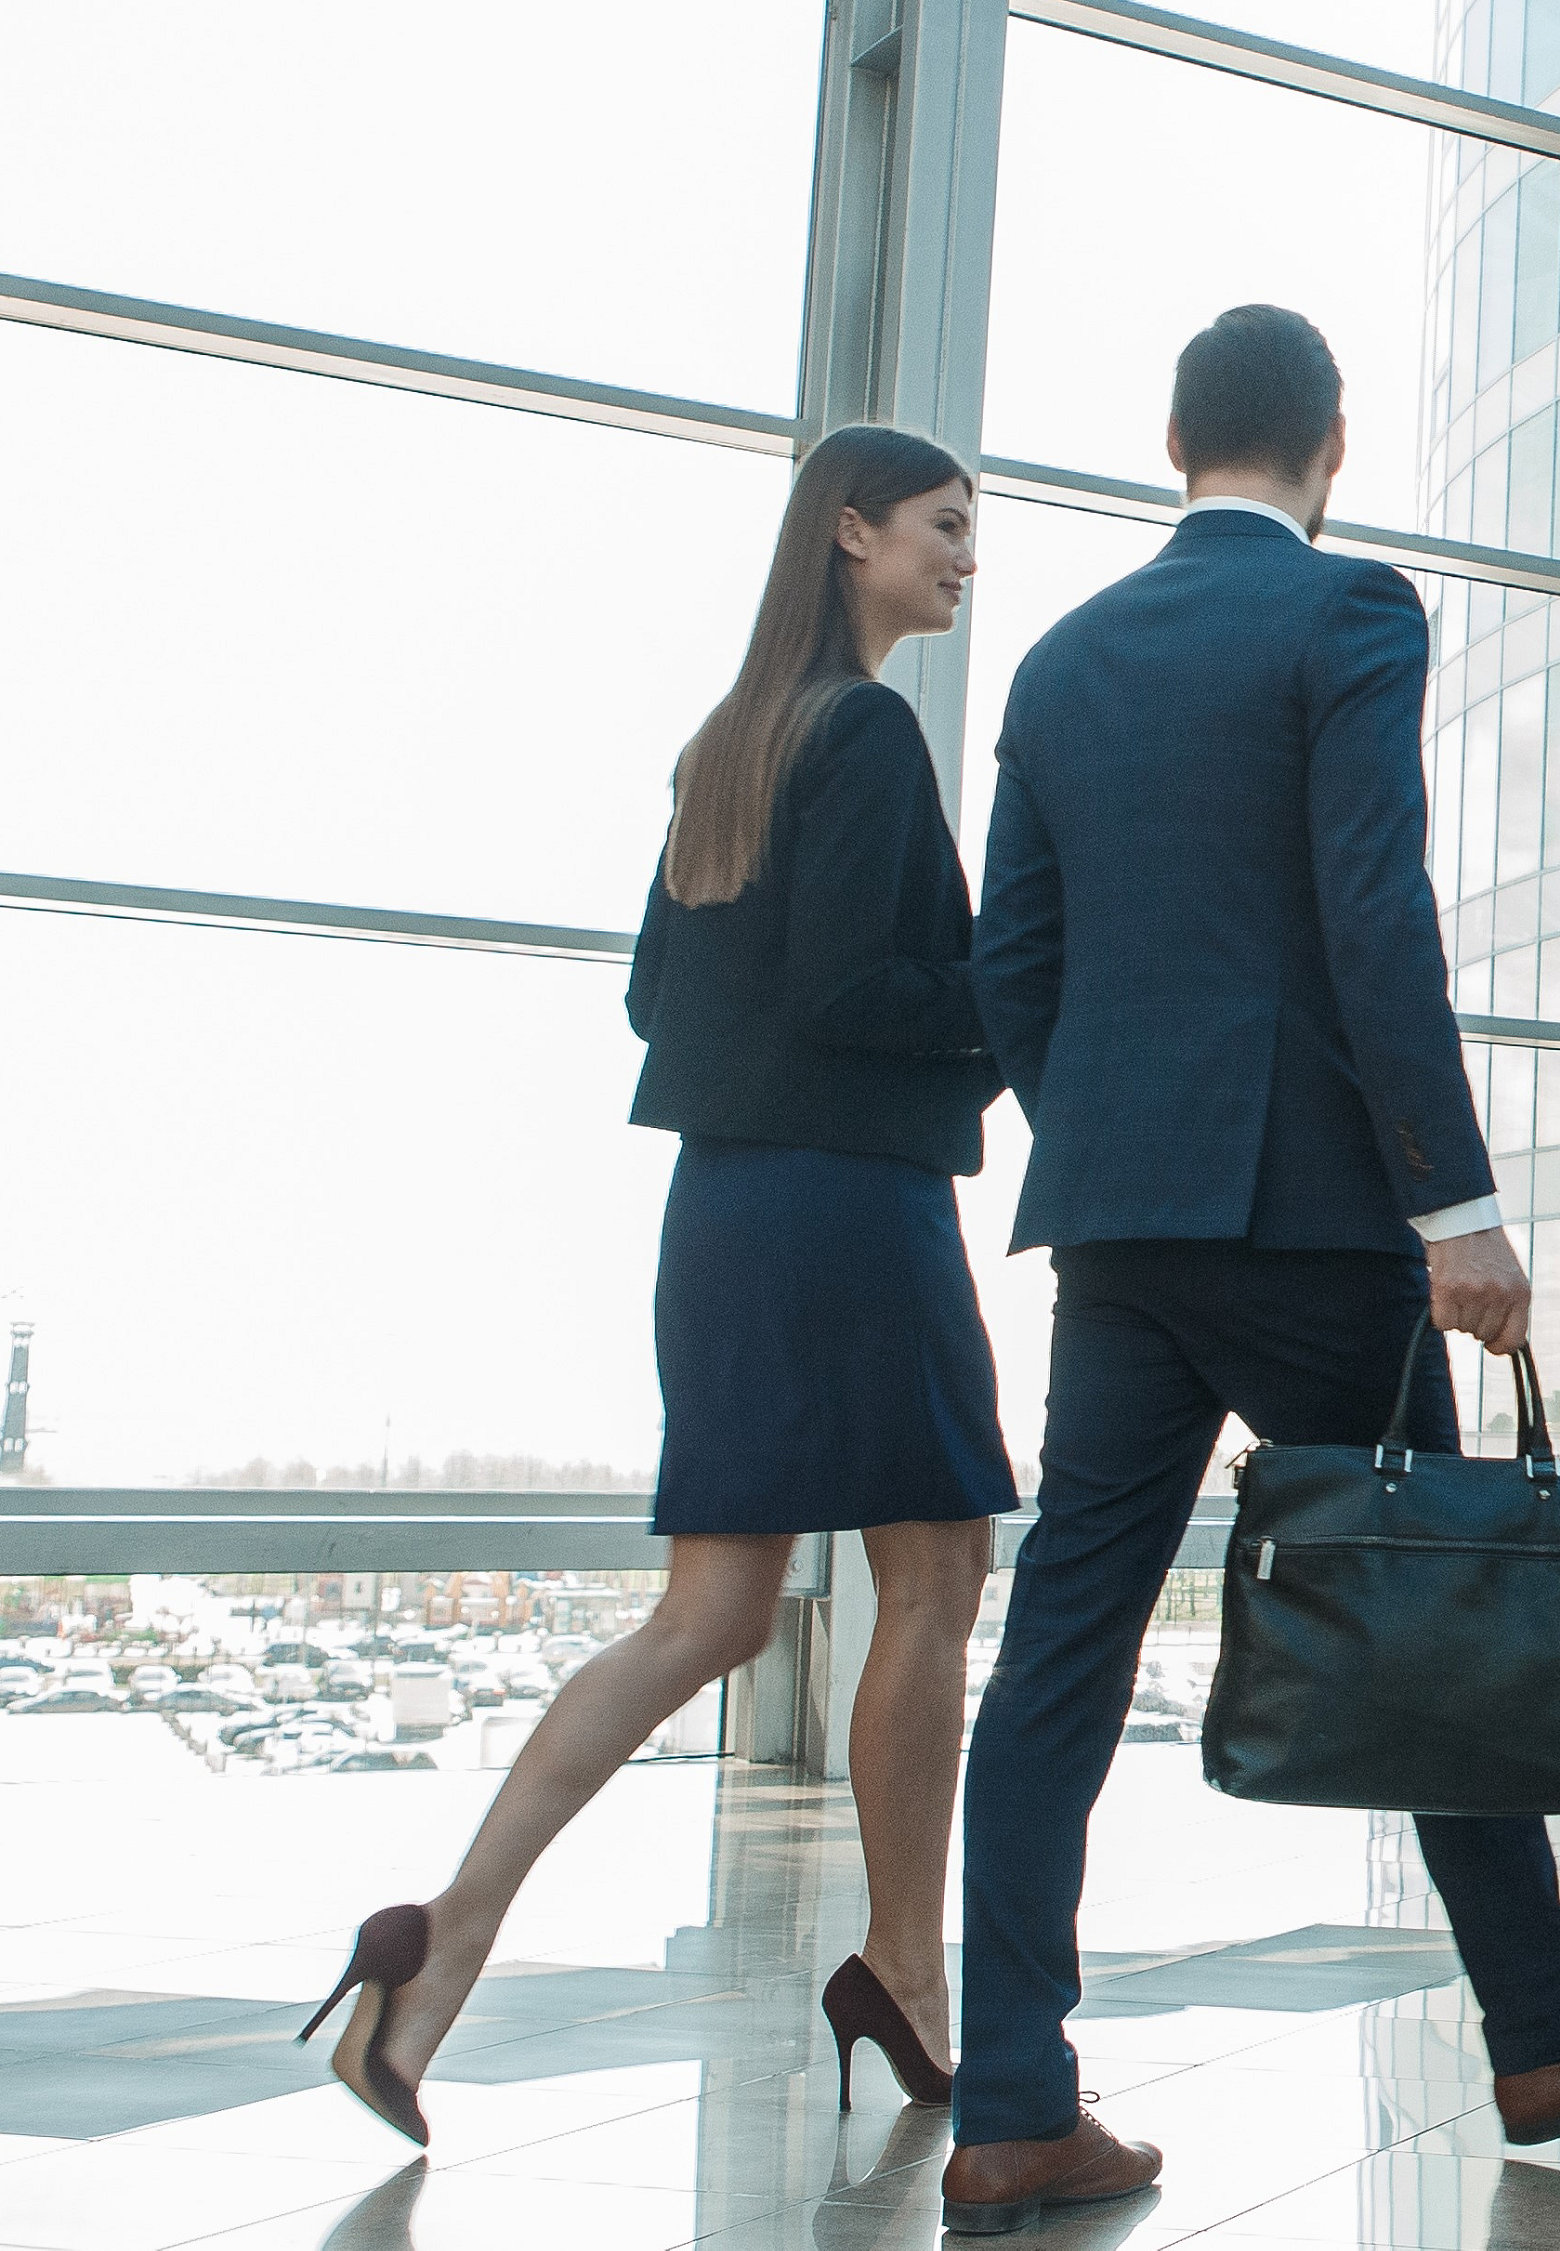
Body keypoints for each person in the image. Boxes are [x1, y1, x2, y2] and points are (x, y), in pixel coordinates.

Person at [940, 307, 1560, 2234]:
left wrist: (1124, 1135)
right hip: (1318, 1220)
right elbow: (1372, 905)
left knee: (1061, 1648)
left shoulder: (1063, 662)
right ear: (1332, 441)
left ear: (1170, 440)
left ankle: (1011, 2099)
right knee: (1428, 1602)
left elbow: (1014, 969)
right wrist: (1450, 1202)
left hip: (1121, 1227)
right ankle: (1553, 2022)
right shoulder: (1348, 616)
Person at [301, 426, 1008, 2146]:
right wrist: (1015, 1002)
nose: (965, 555)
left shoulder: (728, 748)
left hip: (726, 1217)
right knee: (933, 1580)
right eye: (942, 524)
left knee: (713, 1612)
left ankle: (435, 1949)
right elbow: (857, 985)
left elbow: (651, 1003)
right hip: (850, 1213)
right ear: (849, 530)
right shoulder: (870, 735)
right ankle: (908, 1975)